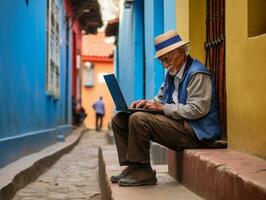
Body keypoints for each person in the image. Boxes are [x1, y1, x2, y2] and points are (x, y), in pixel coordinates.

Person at [110, 30, 221, 187]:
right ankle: (134, 167)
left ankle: (144, 171)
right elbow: (159, 100)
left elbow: (197, 109)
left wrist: (161, 108)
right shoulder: (171, 75)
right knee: (120, 118)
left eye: (167, 59)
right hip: (177, 126)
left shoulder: (198, 74)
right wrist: (144, 104)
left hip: (195, 132)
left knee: (139, 119)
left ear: (181, 53)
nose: (164, 65)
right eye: (161, 61)